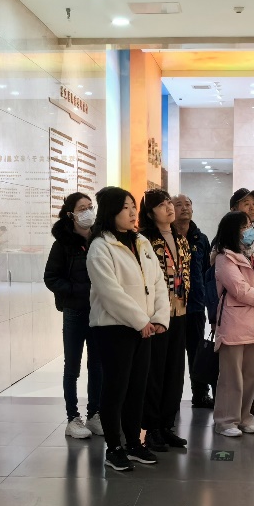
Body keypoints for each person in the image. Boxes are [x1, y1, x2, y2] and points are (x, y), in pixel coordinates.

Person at [87, 186, 168, 472]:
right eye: (125, 207)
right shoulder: (101, 246)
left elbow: (158, 282)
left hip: (143, 328)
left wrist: (159, 317)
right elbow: (110, 292)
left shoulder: (141, 242)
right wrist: (140, 321)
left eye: (134, 206)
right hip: (114, 328)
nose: (133, 212)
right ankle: (114, 448)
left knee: (137, 388)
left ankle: (134, 443)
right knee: (115, 389)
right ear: (110, 212)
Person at [45, 192, 104, 439]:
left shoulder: (100, 240)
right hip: (74, 312)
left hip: (99, 312)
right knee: (72, 367)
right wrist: (77, 291)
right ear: (70, 214)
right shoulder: (62, 244)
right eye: (82, 208)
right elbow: (51, 278)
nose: (88, 212)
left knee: (97, 365)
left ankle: (94, 415)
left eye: (90, 207)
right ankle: (72, 418)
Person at [210, 211, 254, 437]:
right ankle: (226, 421)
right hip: (234, 323)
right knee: (231, 376)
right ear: (232, 231)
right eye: (244, 226)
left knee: (252, 374)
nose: (250, 230)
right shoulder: (224, 257)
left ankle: (245, 418)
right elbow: (240, 290)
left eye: (250, 225)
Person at [139, 188, 190, 452]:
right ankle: (152, 428)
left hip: (179, 312)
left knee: (175, 371)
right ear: (150, 213)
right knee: (155, 373)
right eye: (161, 205)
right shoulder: (144, 241)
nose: (169, 208)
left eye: (169, 202)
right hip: (157, 315)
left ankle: (167, 425)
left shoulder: (181, 238)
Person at [173, 194, 217, 410]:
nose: (184, 208)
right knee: (173, 356)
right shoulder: (166, 238)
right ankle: (171, 399)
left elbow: (207, 273)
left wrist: (210, 305)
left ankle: (200, 395)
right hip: (172, 308)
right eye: (178, 205)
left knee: (196, 352)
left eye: (188, 204)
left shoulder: (201, 239)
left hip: (196, 306)